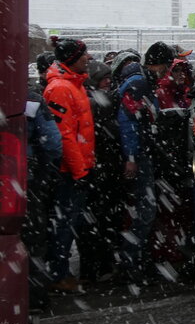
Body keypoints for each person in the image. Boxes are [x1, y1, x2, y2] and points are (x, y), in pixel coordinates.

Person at [113, 42, 173, 281]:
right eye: (167, 65)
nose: (168, 71)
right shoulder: (139, 83)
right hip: (139, 157)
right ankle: (131, 265)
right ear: (158, 64)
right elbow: (128, 122)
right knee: (145, 212)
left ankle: (137, 261)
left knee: (144, 211)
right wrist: (131, 157)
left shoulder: (141, 81)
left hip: (142, 154)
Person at [42, 38, 95, 293]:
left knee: (71, 223)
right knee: (64, 224)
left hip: (79, 168)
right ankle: (58, 275)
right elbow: (65, 136)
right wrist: (79, 171)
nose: (89, 58)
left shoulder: (75, 83)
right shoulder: (61, 88)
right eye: (84, 54)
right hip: (70, 172)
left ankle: (60, 272)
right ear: (72, 58)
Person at [77, 60, 122, 285]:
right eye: (104, 77)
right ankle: (102, 266)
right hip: (101, 170)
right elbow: (111, 133)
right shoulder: (100, 103)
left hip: (92, 170)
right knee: (102, 221)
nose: (108, 81)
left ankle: (89, 269)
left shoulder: (86, 98)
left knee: (89, 222)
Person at [23, 52, 62, 310]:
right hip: (26, 176)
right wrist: (44, 171)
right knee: (33, 237)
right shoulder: (30, 99)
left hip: (18, 175)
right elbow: (53, 143)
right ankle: (35, 296)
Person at [152, 52, 194, 273]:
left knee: (183, 209)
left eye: (182, 70)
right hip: (168, 163)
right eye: (176, 70)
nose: (180, 74)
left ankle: (177, 249)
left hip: (184, 161)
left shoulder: (186, 95)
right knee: (167, 211)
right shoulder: (160, 95)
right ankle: (165, 250)